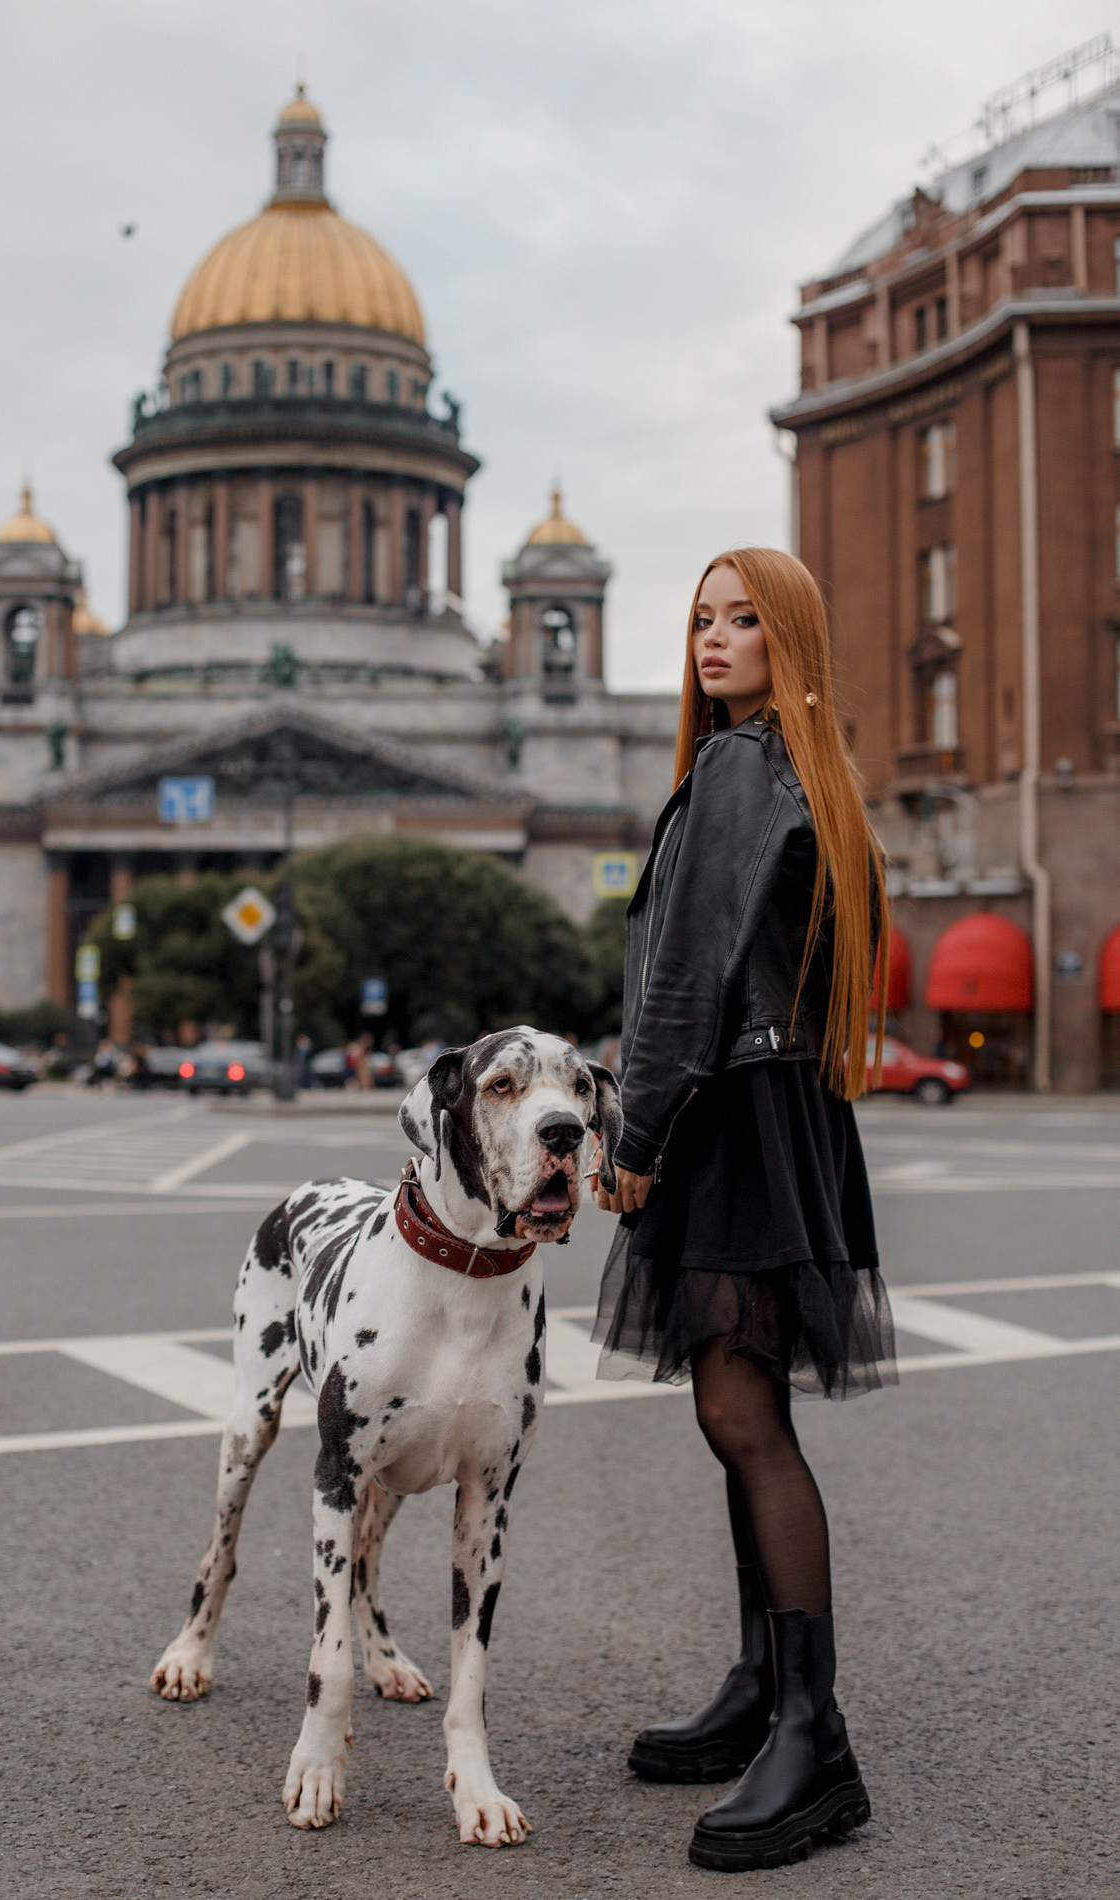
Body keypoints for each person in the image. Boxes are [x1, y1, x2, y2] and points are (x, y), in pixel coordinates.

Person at [592, 548, 896, 1873]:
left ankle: (815, 1733)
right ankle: (764, 1688)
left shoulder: (732, 771)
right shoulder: (802, 773)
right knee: (746, 1404)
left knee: (738, 1414)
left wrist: (636, 1127)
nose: (714, 640)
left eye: (744, 620)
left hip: (728, 1108)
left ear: (791, 640)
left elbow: (691, 977)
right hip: (787, 1110)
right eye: (702, 619)